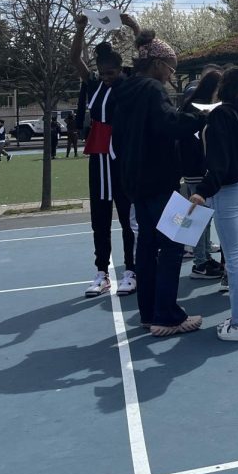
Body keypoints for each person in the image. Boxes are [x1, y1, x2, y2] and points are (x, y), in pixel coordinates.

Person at [111, 31, 206, 336]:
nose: (170, 75)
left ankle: (149, 312)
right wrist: (199, 111)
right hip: (158, 180)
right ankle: (167, 315)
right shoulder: (152, 90)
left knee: (147, 248)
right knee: (173, 245)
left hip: (133, 181)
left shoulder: (123, 89)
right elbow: (171, 126)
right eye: (170, 68)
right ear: (156, 64)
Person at [190, 67, 238, 342]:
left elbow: (219, 161)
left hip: (229, 188)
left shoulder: (223, 115)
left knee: (233, 257)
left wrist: (203, 190)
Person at [71, 15, 139, 298]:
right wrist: (80, 28)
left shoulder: (131, 82)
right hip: (99, 158)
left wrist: (132, 25)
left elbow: (145, 54)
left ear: (120, 69)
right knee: (99, 219)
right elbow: (75, 59)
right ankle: (101, 272)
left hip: (123, 156)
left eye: (111, 73)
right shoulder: (93, 85)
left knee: (127, 218)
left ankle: (131, 270)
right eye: (103, 73)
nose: (107, 78)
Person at [178, 72, 225, 283]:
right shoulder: (199, 109)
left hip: (194, 168)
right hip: (196, 169)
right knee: (198, 218)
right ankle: (199, 263)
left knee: (203, 217)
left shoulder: (194, 105)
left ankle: (204, 256)